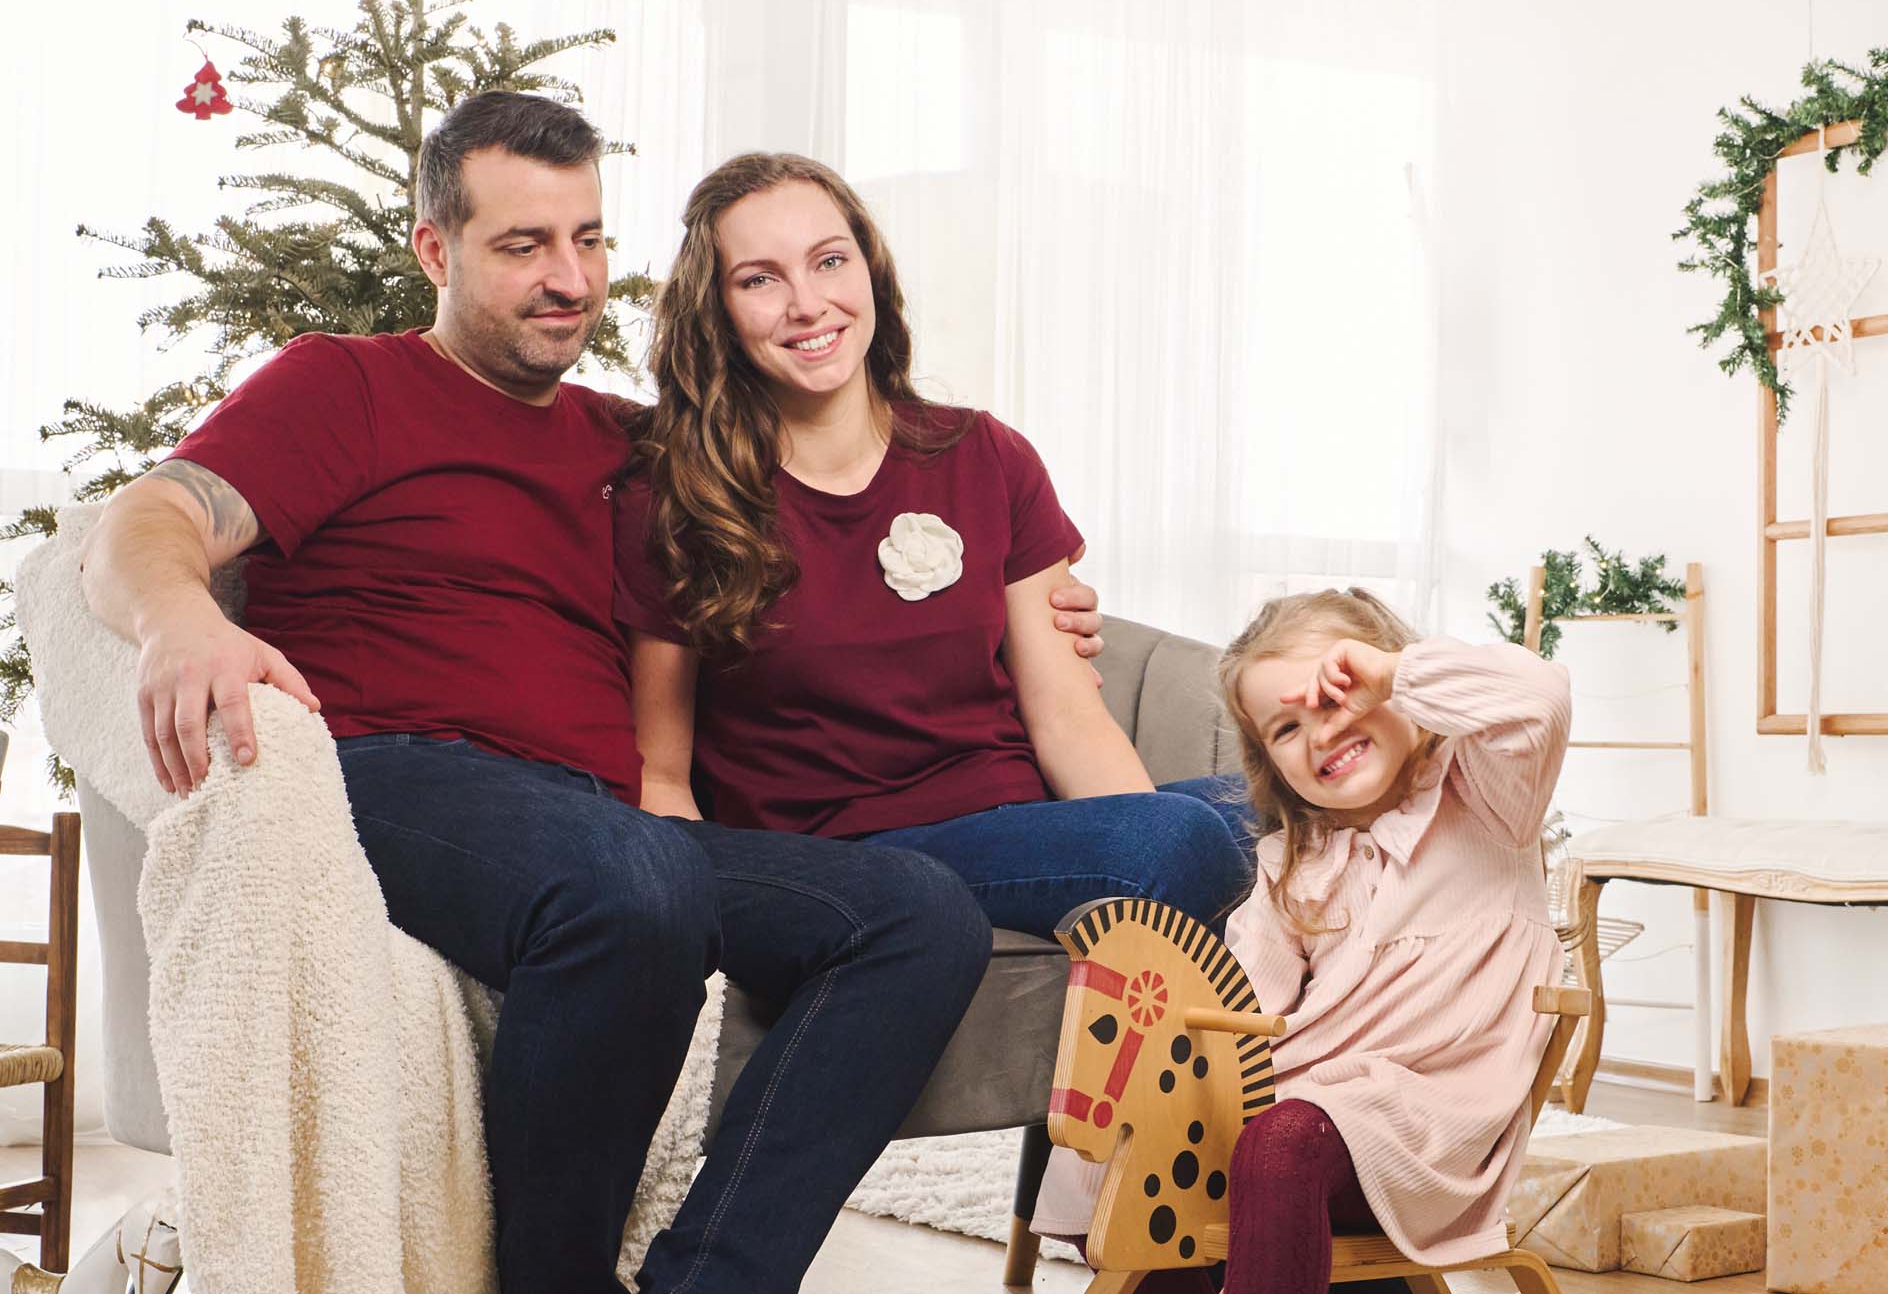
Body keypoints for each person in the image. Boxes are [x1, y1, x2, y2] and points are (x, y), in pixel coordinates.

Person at [78, 92, 1101, 1294]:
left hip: (598, 822)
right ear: (435, 250)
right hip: (397, 773)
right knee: (635, 878)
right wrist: (181, 617)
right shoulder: (346, 384)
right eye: (523, 246)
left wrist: (1023, 594)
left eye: (588, 239)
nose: (569, 279)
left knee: (918, 914)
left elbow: (824, 533)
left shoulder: (636, 445)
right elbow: (149, 517)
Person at [612, 152, 1254, 947]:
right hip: (853, 864)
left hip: (1023, 827)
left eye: (829, 261)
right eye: (760, 279)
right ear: (717, 310)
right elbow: (661, 771)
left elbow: (1068, 718)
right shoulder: (678, 496)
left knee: (1303, 807)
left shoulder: (988, 456)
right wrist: (700, 936)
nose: (808, 304)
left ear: (870, 270)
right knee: (1183, 837)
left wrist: (1142, 849)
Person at [1207, 588, 1572, 1294]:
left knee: (1283, 1142)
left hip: (1429, 1126)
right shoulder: (1294, 866)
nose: (1319, 732)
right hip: (1310, 1106)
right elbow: (1243, 1013)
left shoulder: (1486, 803)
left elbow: (1542, 697)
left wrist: (1393, 674)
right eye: (1285, 729)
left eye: (1337, 693)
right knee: (1170, 1145)